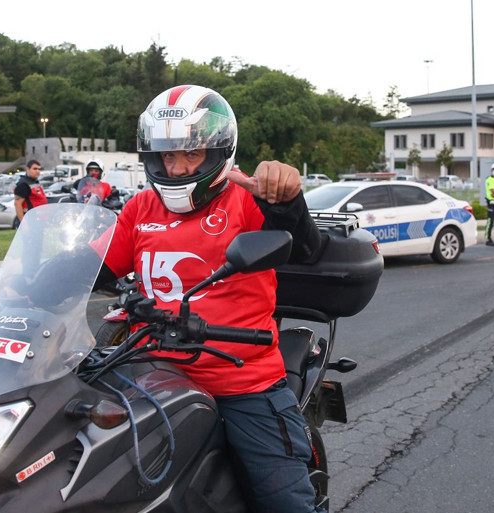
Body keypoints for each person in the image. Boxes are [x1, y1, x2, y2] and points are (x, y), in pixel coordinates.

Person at [93, 85, 325, 513]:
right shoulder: (140, 208)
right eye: (167, 155)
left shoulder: (248, 203)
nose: (177, 168)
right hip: (149, 373)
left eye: (191, 154)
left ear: (218, 153)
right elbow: (91, 273)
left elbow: (305, 250)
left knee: (284, 502)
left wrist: (287, 200)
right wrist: (14, 289)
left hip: (239, 379)